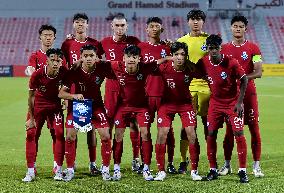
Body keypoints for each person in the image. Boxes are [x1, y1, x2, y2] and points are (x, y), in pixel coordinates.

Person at [197, 34, 249, 183]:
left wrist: (239, 103)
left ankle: (242, 170)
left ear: (220, 48)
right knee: (211, 134)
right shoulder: (204, 62)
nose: (213, 51)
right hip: (215, 103)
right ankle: (213, 169)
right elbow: (193, 70)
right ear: (207, 49)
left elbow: (244, 79)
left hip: (232, 103)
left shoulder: (231, 62)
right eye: (210, 48)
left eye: (216, 48)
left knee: (238, 133)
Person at [110, 45, 166, 181]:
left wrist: (170, 56)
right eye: (128, 57)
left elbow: (159, 61)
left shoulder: (144, 67)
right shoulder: (116, 65)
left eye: (134, 57)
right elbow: (98, 64)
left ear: (138, 59)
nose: (131, 60)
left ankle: (146, 168)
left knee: (145, 133)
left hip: (141, 107)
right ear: (123, 58)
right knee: (118, 135)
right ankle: (116, 168)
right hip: (123, 107)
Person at [58, 44, 113, 181]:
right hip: (78, 106)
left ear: (96, 58)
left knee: (105, 136)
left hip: (96, 106)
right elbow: (61, 93)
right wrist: (74, 96)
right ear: (81, 57)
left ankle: (105, 169)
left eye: (91, 56)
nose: (88, 58)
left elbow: (118, 70)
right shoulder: (74, 72)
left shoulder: (102, 68)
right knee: (70, 137)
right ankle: (70, 170)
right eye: (85, 56)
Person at [219, 15, 264, 178]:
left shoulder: (254, 48)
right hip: (230, 96)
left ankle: (256, 166)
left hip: (249, 94)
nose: (238, 29)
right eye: (235, 26)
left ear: (246, 28)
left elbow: (258, 72)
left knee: (254, 129)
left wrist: (241, 78)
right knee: (230, 131)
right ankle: (227, 165)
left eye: (241, 26)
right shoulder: (223, 49)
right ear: (231, 28)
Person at [61, 13, 104, 175]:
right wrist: (66, 97)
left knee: (91, 129)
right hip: (74, 91)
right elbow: (64, 69)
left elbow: (99, 64)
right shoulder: (67, 44)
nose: (80, 25)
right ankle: (71, 166)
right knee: (73, 130)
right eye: (77, 22)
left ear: (87, 25)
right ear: (73, 25)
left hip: (91, 91)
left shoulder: (95, 43)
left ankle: (92, 164)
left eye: (83, 22)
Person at [154, 42, 202, 181]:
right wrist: (166, 58)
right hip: (166, 104)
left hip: (185, 104)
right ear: (172, 55)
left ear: (186, 56)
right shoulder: (164, 67)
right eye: (176, 54)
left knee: (191, 134)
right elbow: (150, 65)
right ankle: (161, 171)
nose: (179, 57)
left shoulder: (190, 68)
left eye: (182, 54)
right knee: (162, 134)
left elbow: (206, 75)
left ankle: (194, 171)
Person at [101, 14, 141, 172]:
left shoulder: (135, 42)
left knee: (133, 123)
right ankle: (108, 162)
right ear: (112, 26)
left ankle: (135, 158)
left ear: (127, 26)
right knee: (109, 125)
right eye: (117, 25)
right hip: (112, 89)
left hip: (131, 89)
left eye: (122, 25)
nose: (120, 28)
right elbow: (89, 52)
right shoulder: (104, 42)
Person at [138, 17, 177, 174]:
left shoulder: (168, 48)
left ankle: (170, 162)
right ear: (146, 29)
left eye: (157, 26)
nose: (154, 28)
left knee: (167, 131)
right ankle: (144, 163)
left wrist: (173, 46)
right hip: (145, 95)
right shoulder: (140, 47)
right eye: (151, 26)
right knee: (144, 131)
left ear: (162, 29)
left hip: (165, 96)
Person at [22, 48, 66, 182]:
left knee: (58, 133)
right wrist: (31, 117)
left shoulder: (64, 73)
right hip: (38, 106)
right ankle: (30, 170)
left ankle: (58, 169)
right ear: (46, 60)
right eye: (52, 59)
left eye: (58, 60)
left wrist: (65, 100)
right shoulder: (37, 74)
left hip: (55, 106)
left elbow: (69, 87)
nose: (55, 62)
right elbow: (30, 97)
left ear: (61, 62)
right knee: (31, 134)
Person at [177, 9, 209, 174]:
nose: (196, 22)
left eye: (199, 19)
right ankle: (183, 160)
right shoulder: (181, 41)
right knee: (187, 126)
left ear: (203, 21)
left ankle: (212, 160)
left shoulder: (210, 41)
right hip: (187, 88)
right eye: (193, 19)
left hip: (207, 88)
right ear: (188, 21)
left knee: (208, 125)